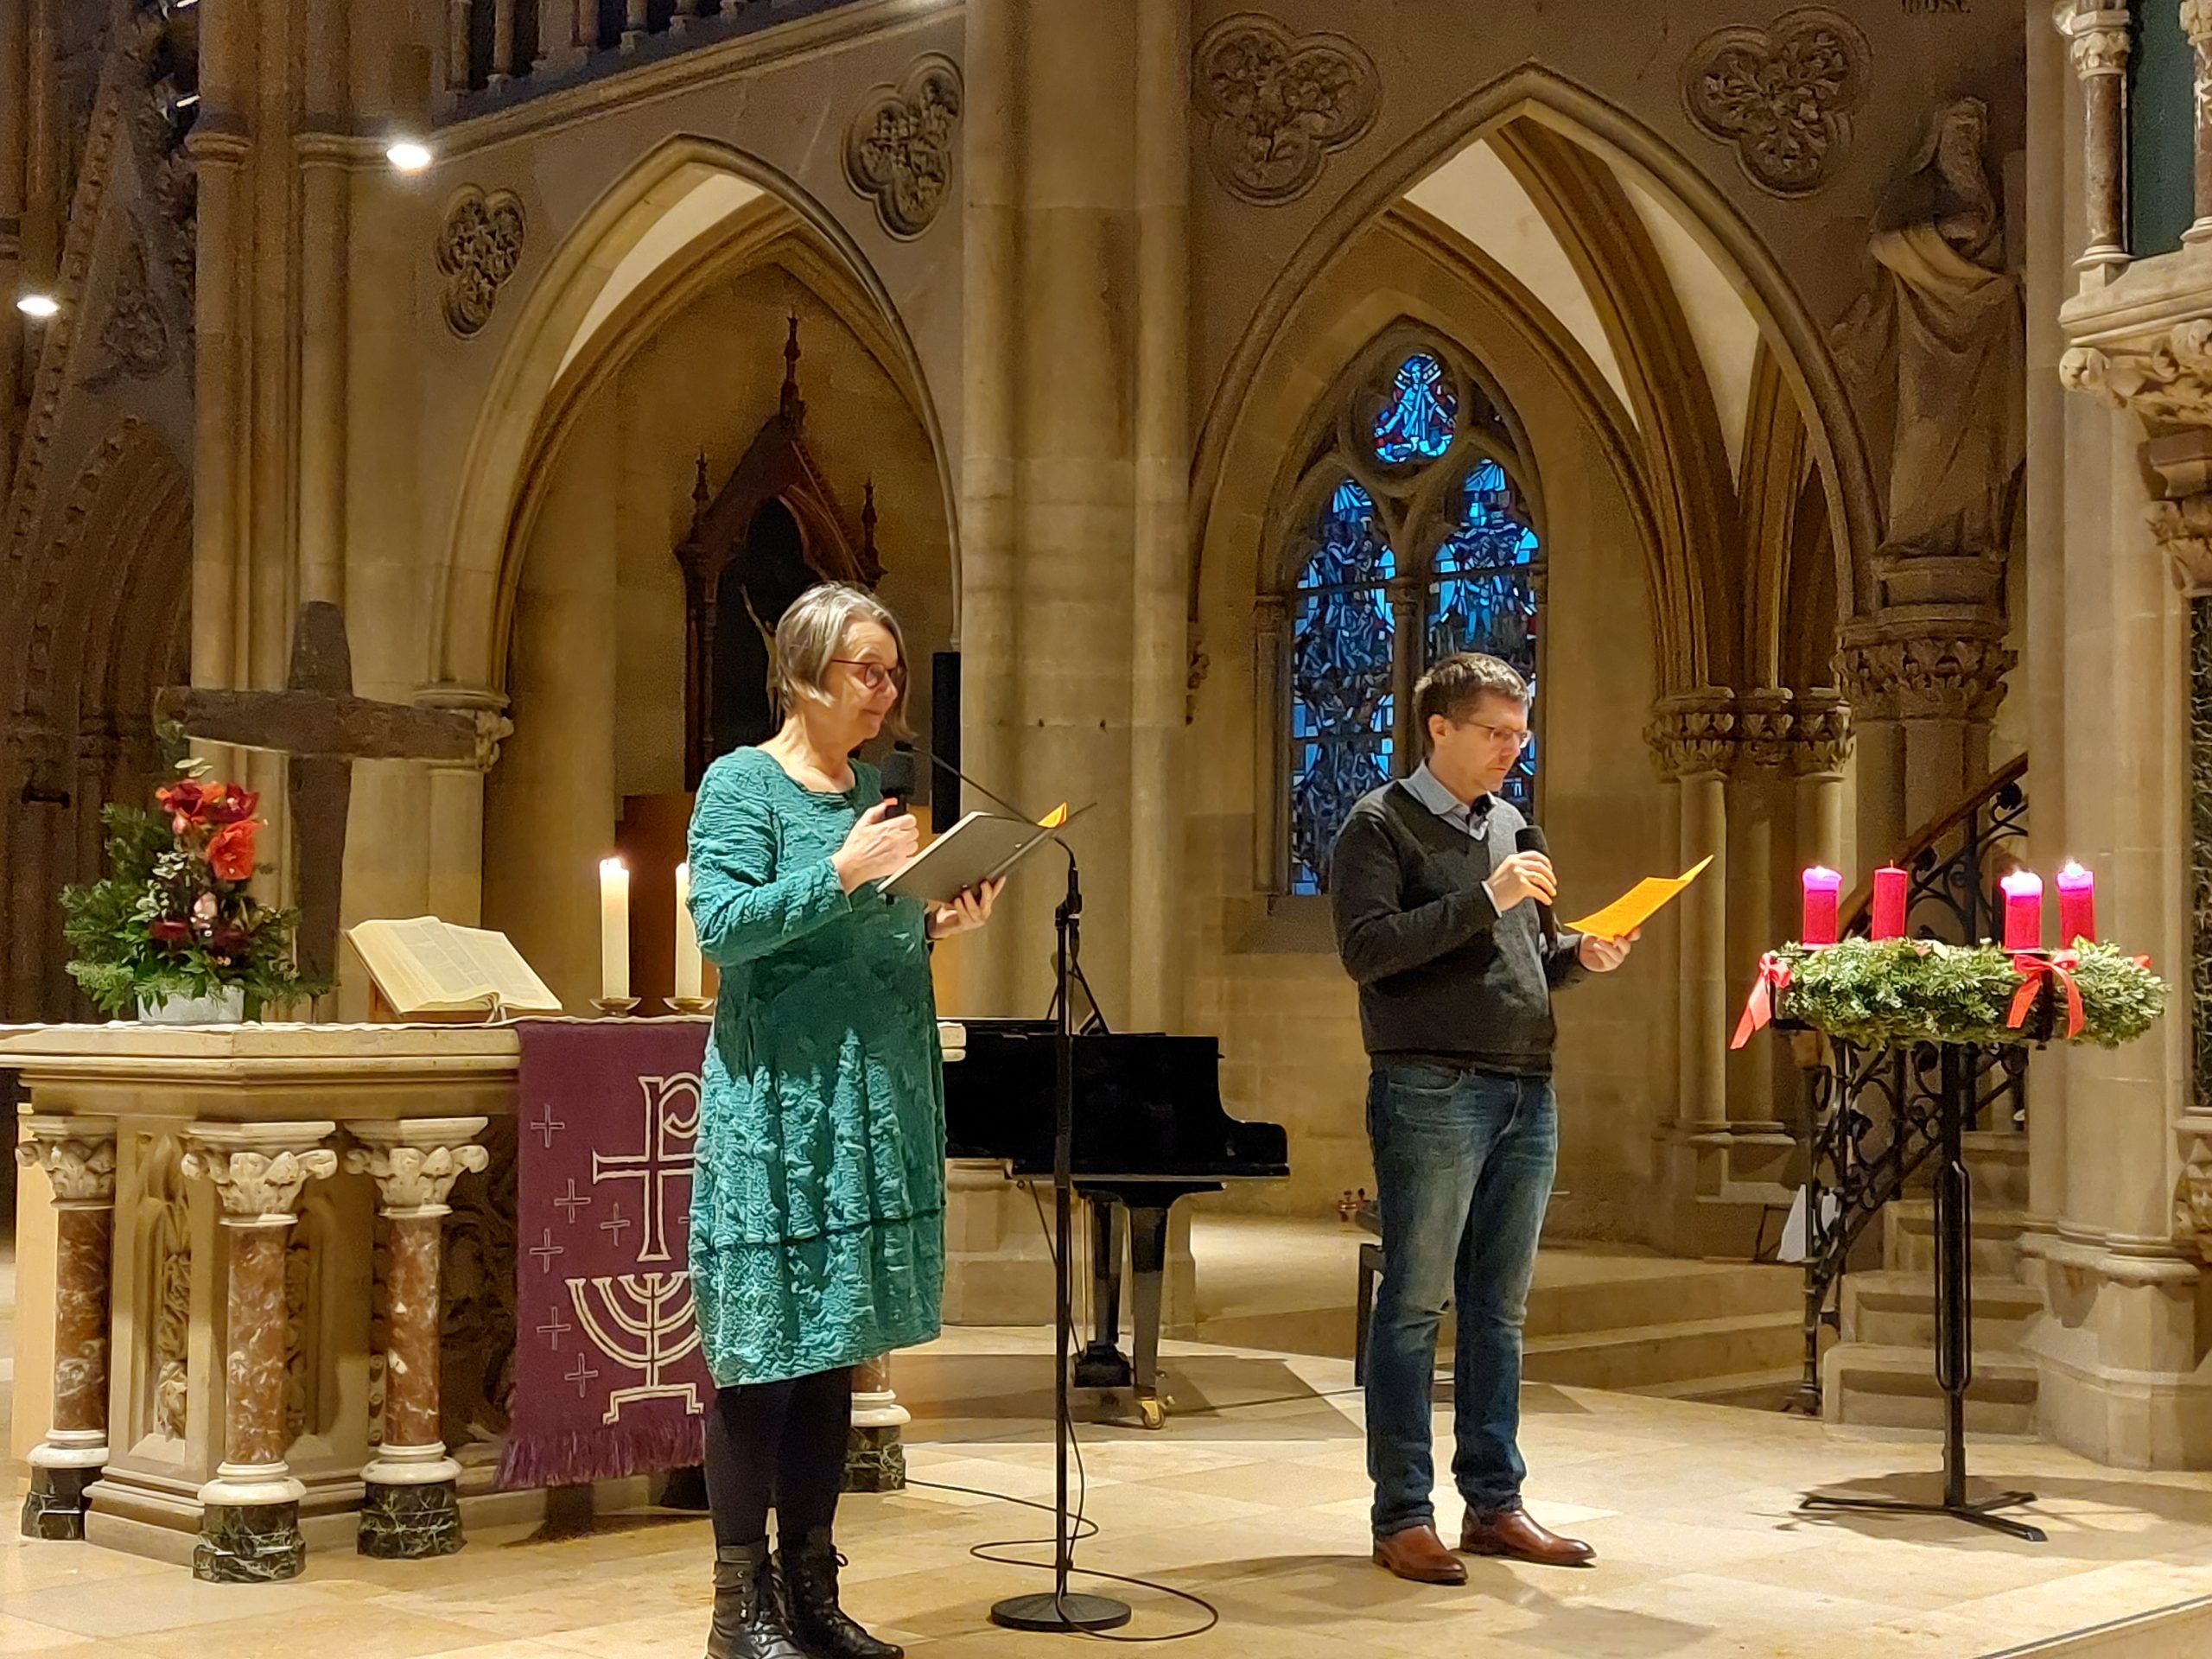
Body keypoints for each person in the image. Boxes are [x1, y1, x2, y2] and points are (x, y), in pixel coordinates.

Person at [687, 582, 1002, 1659]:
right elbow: (722, 929)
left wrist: (935, 921)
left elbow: (870, 941)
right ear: (803, 674)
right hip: (780, 1109)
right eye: (867, 670)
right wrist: (836, 871)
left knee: (833, 1355)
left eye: (893, 672)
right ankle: (738, 1610)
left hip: (868, 1104)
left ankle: (812, 1589)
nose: (886, 690)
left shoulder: (873, 792)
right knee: (764, 1361)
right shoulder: (742, 784)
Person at [1330, 652, 1636, 1586]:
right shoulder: (1378, 824)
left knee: (1499, 1311)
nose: (1513, 749)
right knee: (1415, 1305)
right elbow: (1368, 951)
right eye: (1497, 732)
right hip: (1431, 1086)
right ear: (1440, 728)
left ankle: (1494, 1504)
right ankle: (1402, 1514)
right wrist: (1487, 896)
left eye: (1520, 733)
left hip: (1525, 1086)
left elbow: (1523, 958)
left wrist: (1580, 955)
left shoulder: (1511, 825)